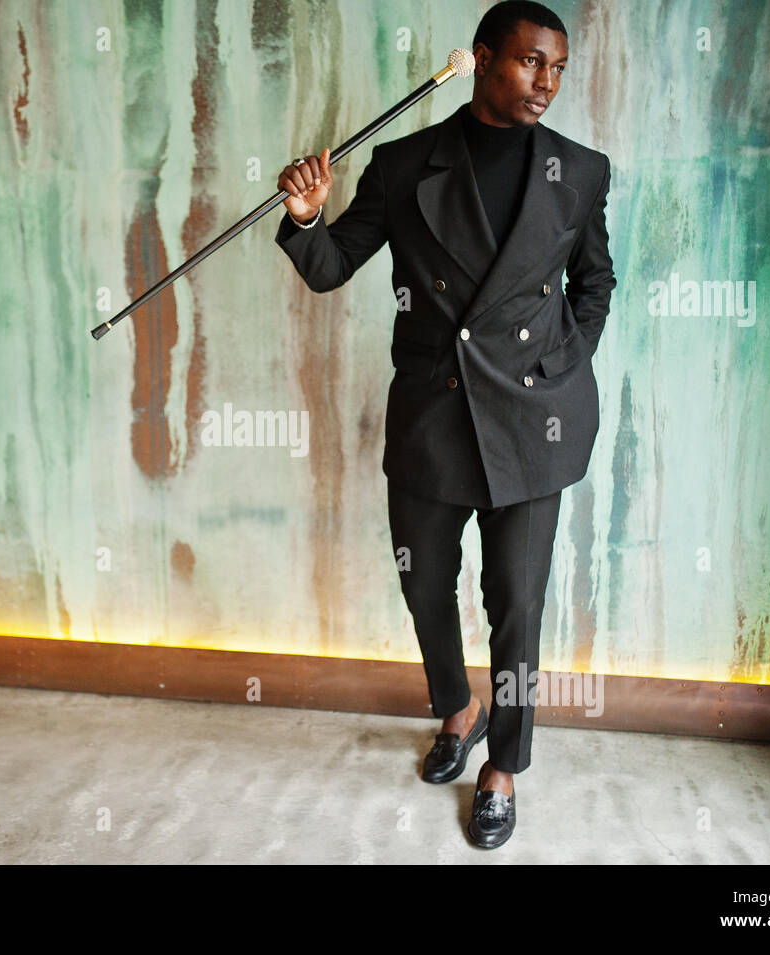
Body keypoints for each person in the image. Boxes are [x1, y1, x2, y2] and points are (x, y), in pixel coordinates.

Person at [273, 0, 616, 848]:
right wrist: (309, 214)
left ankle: (502, 764)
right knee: (425, 581)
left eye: (558, 67)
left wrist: (559, 368)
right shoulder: (402, 163)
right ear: (484, 57)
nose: (548, 81)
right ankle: (454, 706)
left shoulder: (580, 170)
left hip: (534, 421)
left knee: (517, 605)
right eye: (532, 61)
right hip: (433, 414)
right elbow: (330, 267)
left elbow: (595, 283)